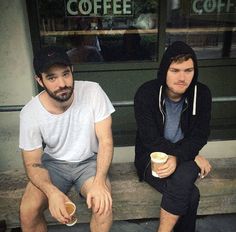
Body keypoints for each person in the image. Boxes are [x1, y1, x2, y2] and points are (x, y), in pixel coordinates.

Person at [19, 46, 115, 232]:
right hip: (53, 164)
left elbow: (106, 141)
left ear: (72, 71)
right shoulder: (30, 113)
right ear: (39, 80)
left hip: (89, 162)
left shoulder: (93, 91)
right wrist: (52, 192)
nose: (62, 83)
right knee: (28, 210)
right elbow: (32, 163)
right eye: (51, 77)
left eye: (65, 74)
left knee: (103, 206)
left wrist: (100, 181)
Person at [134, 41, 212, 232]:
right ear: (164, 71)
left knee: (186, 184)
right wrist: (189, 155)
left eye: (188, 70)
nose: (182, 77)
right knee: (191, 195)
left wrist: (181, 157)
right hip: (152, 158)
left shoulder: (201, 94)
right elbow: (150, 138)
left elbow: (200, 135)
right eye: (175, 70)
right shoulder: (146, 93)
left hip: (184, 156)